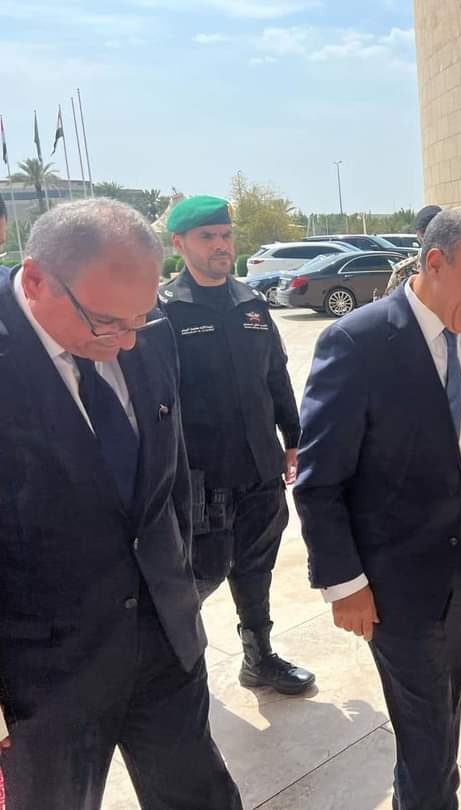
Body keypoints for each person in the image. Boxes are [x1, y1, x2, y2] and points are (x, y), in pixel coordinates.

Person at [0, 199, 241, 808]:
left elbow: (170, 472)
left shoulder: (148, 332)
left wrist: (185, 580)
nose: (128, 341)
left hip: (163, 640)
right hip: (43, 676)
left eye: (140, 318)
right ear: (37, 280)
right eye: (108, 323)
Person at [295, 205, 461, 810]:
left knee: (446, 706)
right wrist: (343, 582)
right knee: (427, 727)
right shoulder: (356, 343)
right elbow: (318, 481)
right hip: (390, 579)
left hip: (460, 563)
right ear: (434, 263)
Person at [159, 195, 315, 695]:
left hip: (259, 468)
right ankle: (170, 668)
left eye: (225, 235)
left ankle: (259, 658)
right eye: (207, 237)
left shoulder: (250, 302)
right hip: (201, 476)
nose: (221, 245)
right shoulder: (165, 311)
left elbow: (275, 376)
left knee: (256, 566)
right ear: (179, 244)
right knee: (198, 576)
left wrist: (293, 438)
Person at [383, 203, 442, 296]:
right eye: (427, 233)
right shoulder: (403, 271)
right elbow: (392, 302)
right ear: (419, 236)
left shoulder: (459, 266)